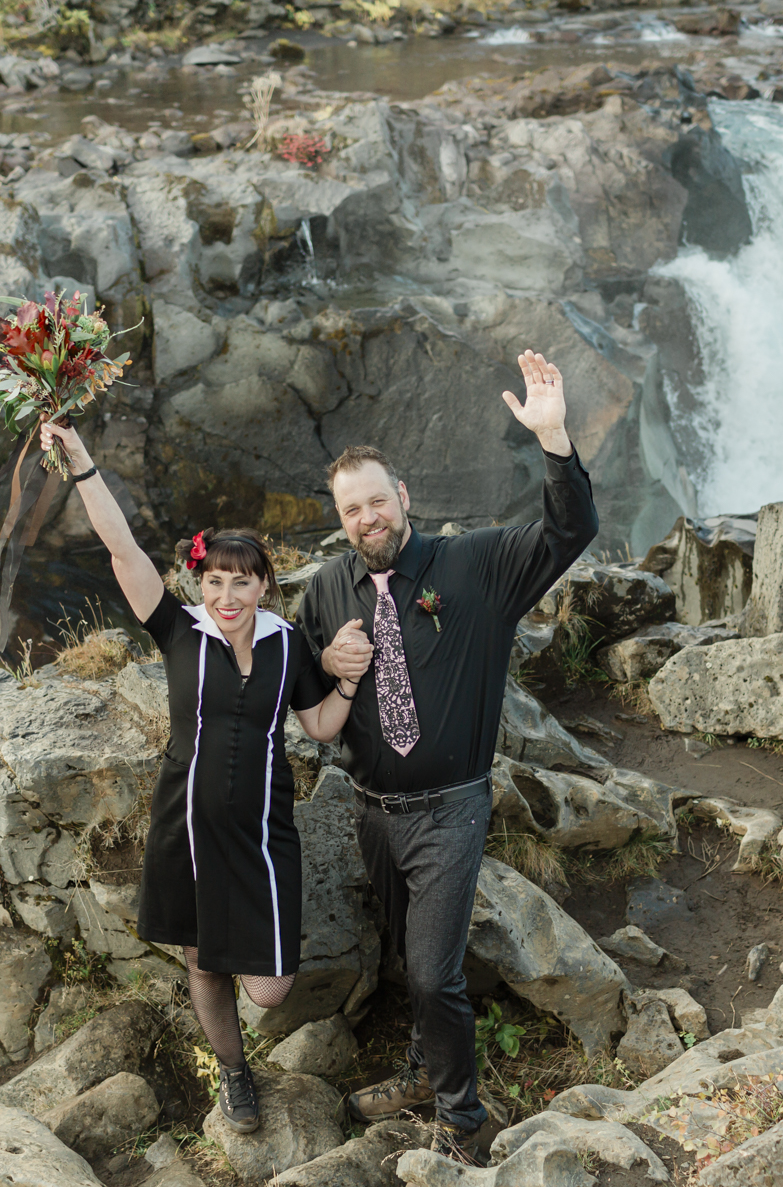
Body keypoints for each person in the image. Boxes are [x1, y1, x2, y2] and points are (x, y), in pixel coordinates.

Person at [295, 350, 598, 1165]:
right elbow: (293, 680)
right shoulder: (325, 590)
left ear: (405, 499)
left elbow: (571, 530)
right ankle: (426, 1070)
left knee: (433, 974)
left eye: (377, 502)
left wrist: (555, 439)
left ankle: (466, 1120)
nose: (367, 519)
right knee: (405, 957)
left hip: (451, 807)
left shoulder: (478, 566)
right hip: (371, 814)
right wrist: (326, 667)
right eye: (350, 510)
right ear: (341, 518)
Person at [38, 419, 370, 1134]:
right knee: (205, 962)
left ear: (263, 585)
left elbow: (315, 727)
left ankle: (246, 1045)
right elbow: (120, 547)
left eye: (240, 582)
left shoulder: (290, 645)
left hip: (263, 833)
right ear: (201, 581)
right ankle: (234, 1072)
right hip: (185, 824)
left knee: (272, 988)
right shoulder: (177, 629)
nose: (225, 594)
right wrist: (84, 463)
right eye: (213, 580)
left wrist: (347, 682)